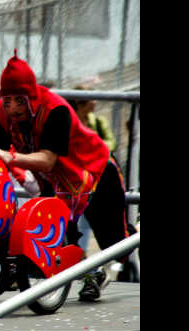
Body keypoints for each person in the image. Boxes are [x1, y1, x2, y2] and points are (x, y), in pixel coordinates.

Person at [0, 50, 128, 302]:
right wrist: (19, 178)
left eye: (19, 101)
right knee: (59, 231)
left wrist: (13, 160)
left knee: (115, 241)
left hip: (94, 171)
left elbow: (48, 161)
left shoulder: (55, 110)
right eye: (7, 101)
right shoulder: (1, 114)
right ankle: (91, 274)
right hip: (56, 181)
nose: (13, 108)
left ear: (31, 97)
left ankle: (117, 249)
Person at [66, 83, 118, 256]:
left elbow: (110, 142)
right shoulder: (70, 121)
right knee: (79, 223)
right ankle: (81, 259)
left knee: (96, 224)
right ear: (81, 103)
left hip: (97, 171)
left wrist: (94, 149)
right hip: (78, 176)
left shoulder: (97, 121)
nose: (95, 102)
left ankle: (87, 264)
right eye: (92, 99)